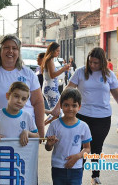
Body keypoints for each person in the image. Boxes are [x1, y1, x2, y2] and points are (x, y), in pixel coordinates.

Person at [50, 47, 118, 185]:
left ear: (102, 62)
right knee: (80, 147)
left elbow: (116, 94)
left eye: (96, 63)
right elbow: (68, 89)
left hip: (102, 117)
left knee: (96, 147)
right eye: (90, 62)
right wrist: (57, 108)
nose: (93, 65)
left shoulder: (109, 74)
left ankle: (95, 176)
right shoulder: (81, 72)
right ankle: (76, 173)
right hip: (82, 116)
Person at [0, 34, 45, 139]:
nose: (10, 51)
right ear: (0, 51)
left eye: (14, 48)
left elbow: (38, 102)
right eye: (6, 47)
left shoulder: (29, 74)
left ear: (19, 52)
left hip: (24, 137)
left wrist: (41, 132)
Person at [45, 88, 92, 185]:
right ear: (61, 106)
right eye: (66, 105)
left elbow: (87, 148)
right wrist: (49, 144)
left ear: (79, 107)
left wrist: (77, 156)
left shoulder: (84, 126)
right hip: (58, 168)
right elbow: (48, 148)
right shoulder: (54, 125)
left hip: (76, 168)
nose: (70, 108)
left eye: (74, 105)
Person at [0, 81, 39, 146]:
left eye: (23, 99)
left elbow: (37, 136)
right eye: (16, 96)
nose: (19, 101)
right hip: (1, 154)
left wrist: (27, 133)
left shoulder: (27, 116)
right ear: (7, 96)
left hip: (20, 155)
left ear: (26, 101)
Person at [41, 42, 70, 110]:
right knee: (56, 111)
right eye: (57, 51)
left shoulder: (49, 60)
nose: (58, 52)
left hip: (50, 88)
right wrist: (63, 69)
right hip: (51, 89)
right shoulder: (50, 60)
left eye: (59, 51)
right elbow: (52, 75)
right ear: (52, 50)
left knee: (56, 110)